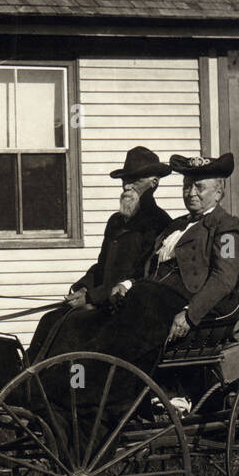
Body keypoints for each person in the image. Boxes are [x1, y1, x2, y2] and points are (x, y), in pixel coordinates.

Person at [101, 152, 239, 375]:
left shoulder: (227, 228)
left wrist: (190, 314)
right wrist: (128, 284)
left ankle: (120, 390)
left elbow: (224, 278)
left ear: (218, 193)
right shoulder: (175, 226)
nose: (191, 193)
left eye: (199, 187)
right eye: (186, 186)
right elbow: (152, 269)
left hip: (193, 303)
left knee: (143, 297)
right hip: (156, 299)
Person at [28, 146, 172, 361]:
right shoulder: (116, 222)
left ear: (154, 182)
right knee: (50, 320)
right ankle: (26, 383)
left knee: (71, 327)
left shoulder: (159, 224)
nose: (126, 185)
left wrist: (92, 297)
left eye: (135, 180)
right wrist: (83, 287)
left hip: (124, 310)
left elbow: (143, 277)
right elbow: (101, 267)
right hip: (100, 302)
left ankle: (59, 388)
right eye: (125, 179)